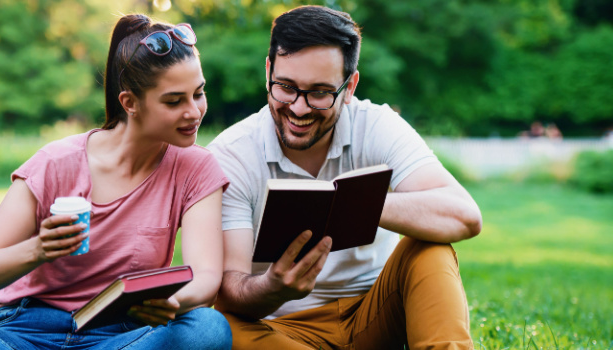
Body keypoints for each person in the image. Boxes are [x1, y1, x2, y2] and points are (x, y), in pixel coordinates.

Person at [0, 14, 231, 350]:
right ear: (130, 103)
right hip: (25, 331)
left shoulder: (196, 168)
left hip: (121, 336)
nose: (194, 112)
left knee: (208, 328)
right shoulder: (56, 162)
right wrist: (38, 249)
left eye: (198, 94)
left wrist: (175, 302)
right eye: (174, 101)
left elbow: (206, 277)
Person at [207, 5, 483, 350]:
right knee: (215, 328)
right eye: (286, 87)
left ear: (349, 86)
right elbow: (229, 288)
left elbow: (465, 216)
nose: (299, 108)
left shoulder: (377, 126)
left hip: (374, 315)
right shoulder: (232, 154)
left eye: (320, 92)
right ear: (268, 72)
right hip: (280, 331)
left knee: (428, 247)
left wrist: (357, 203)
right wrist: (272, 288)